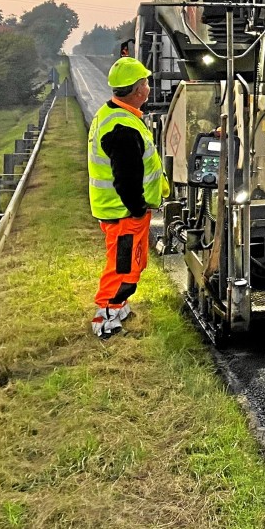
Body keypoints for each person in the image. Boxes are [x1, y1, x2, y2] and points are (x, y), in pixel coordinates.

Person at [87, 57, 170, 338]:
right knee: (123, 267)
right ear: (138, 90)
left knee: (130, 262)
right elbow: (126, 178)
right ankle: (105, 316)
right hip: (123, 212)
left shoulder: (114, 114)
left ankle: (118, 306)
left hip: (117, 210)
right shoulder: (123, 128)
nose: (148, 87)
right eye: (145, 83)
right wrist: (137, 209)